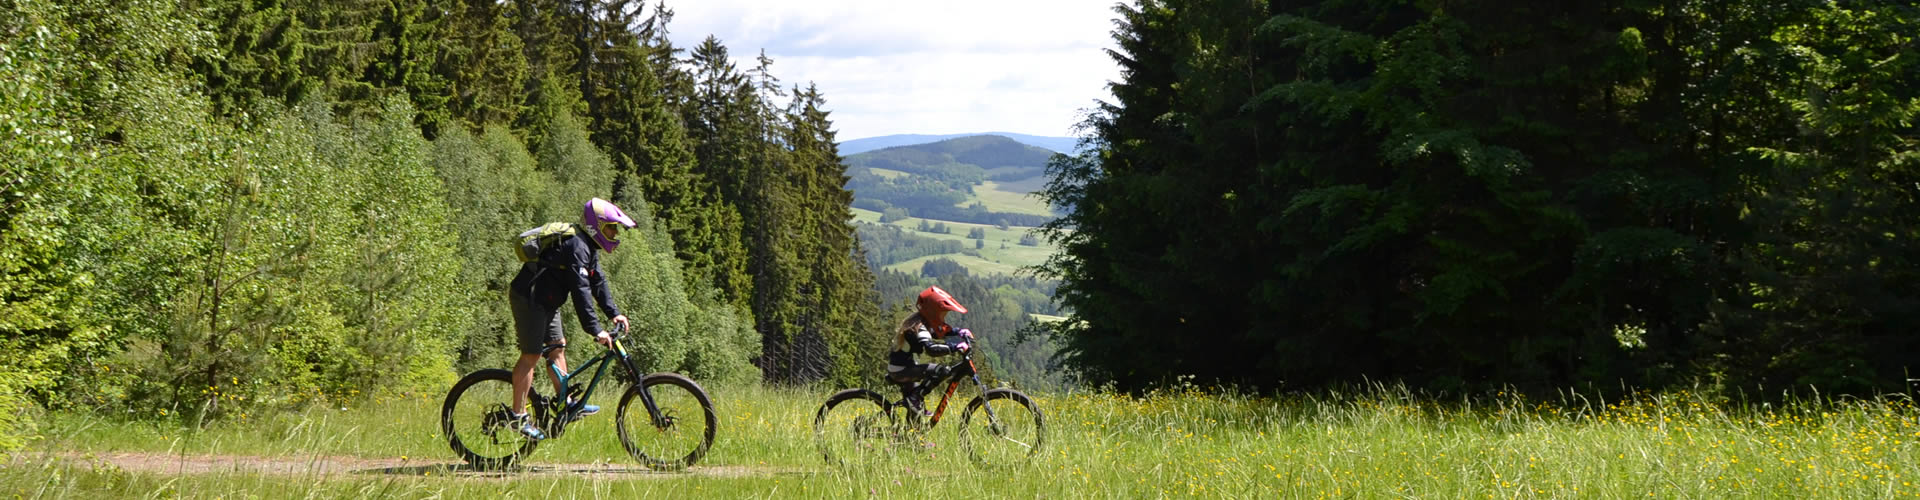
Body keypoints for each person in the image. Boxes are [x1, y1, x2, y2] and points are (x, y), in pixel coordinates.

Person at [506, 198, 635, 440]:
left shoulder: (588, 246)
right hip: (530, 299)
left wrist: (614, 312)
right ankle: (518, 416)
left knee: (557, 348)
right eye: (611, 227)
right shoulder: (577, 245)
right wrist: (596, 330)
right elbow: (581, 290)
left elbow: (597, 281)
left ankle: (565, 403)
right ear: (597, 225)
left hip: (548, 302)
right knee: (531, 355)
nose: (615, 234)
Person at [889, 285, 973, 416]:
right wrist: (955, 347)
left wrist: (958, 332)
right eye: (942, 314)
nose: (943, 317)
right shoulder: (919, 326)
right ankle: (915, 397)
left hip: (902, 367)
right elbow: (931, 349)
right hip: (901, 370)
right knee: (942, 371)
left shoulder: (920, 322)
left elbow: (937, 332)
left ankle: (907, 434)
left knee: (916, 412)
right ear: (933, 312)